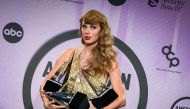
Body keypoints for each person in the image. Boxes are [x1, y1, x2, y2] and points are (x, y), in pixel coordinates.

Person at [39, 9, 126, 109]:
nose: (87, 31)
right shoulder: (69, 53)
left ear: (101, 31)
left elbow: (121, 99)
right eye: (84, 26)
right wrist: (47, 104)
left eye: (93, 27)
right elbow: (44, 85)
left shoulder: (108, 61)